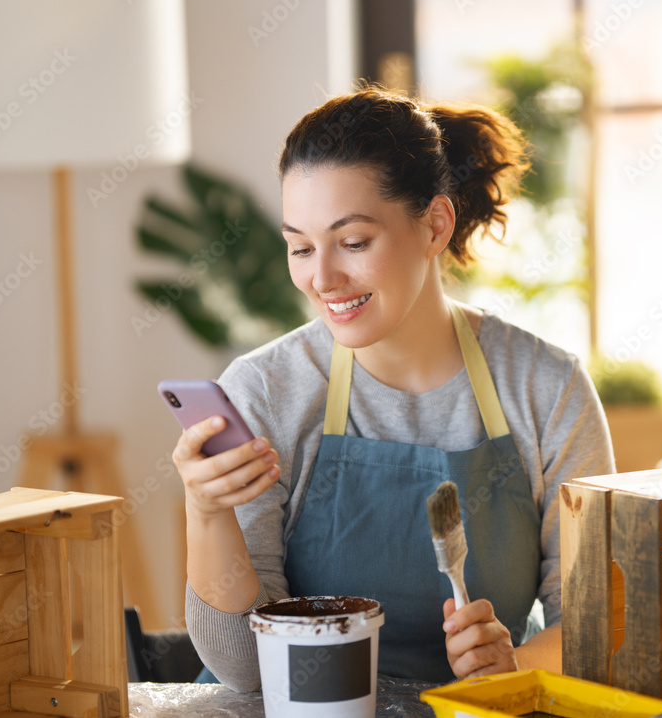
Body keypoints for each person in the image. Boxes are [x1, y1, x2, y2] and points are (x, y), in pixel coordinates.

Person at [174, 85, 615, 691]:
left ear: (435, 225)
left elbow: (597, 626)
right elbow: (246, 671)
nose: (322, 278)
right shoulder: (265, 392)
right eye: (300, 247)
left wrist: (517, 665)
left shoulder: (547, 389)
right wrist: (207, 514)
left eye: (353, 242)